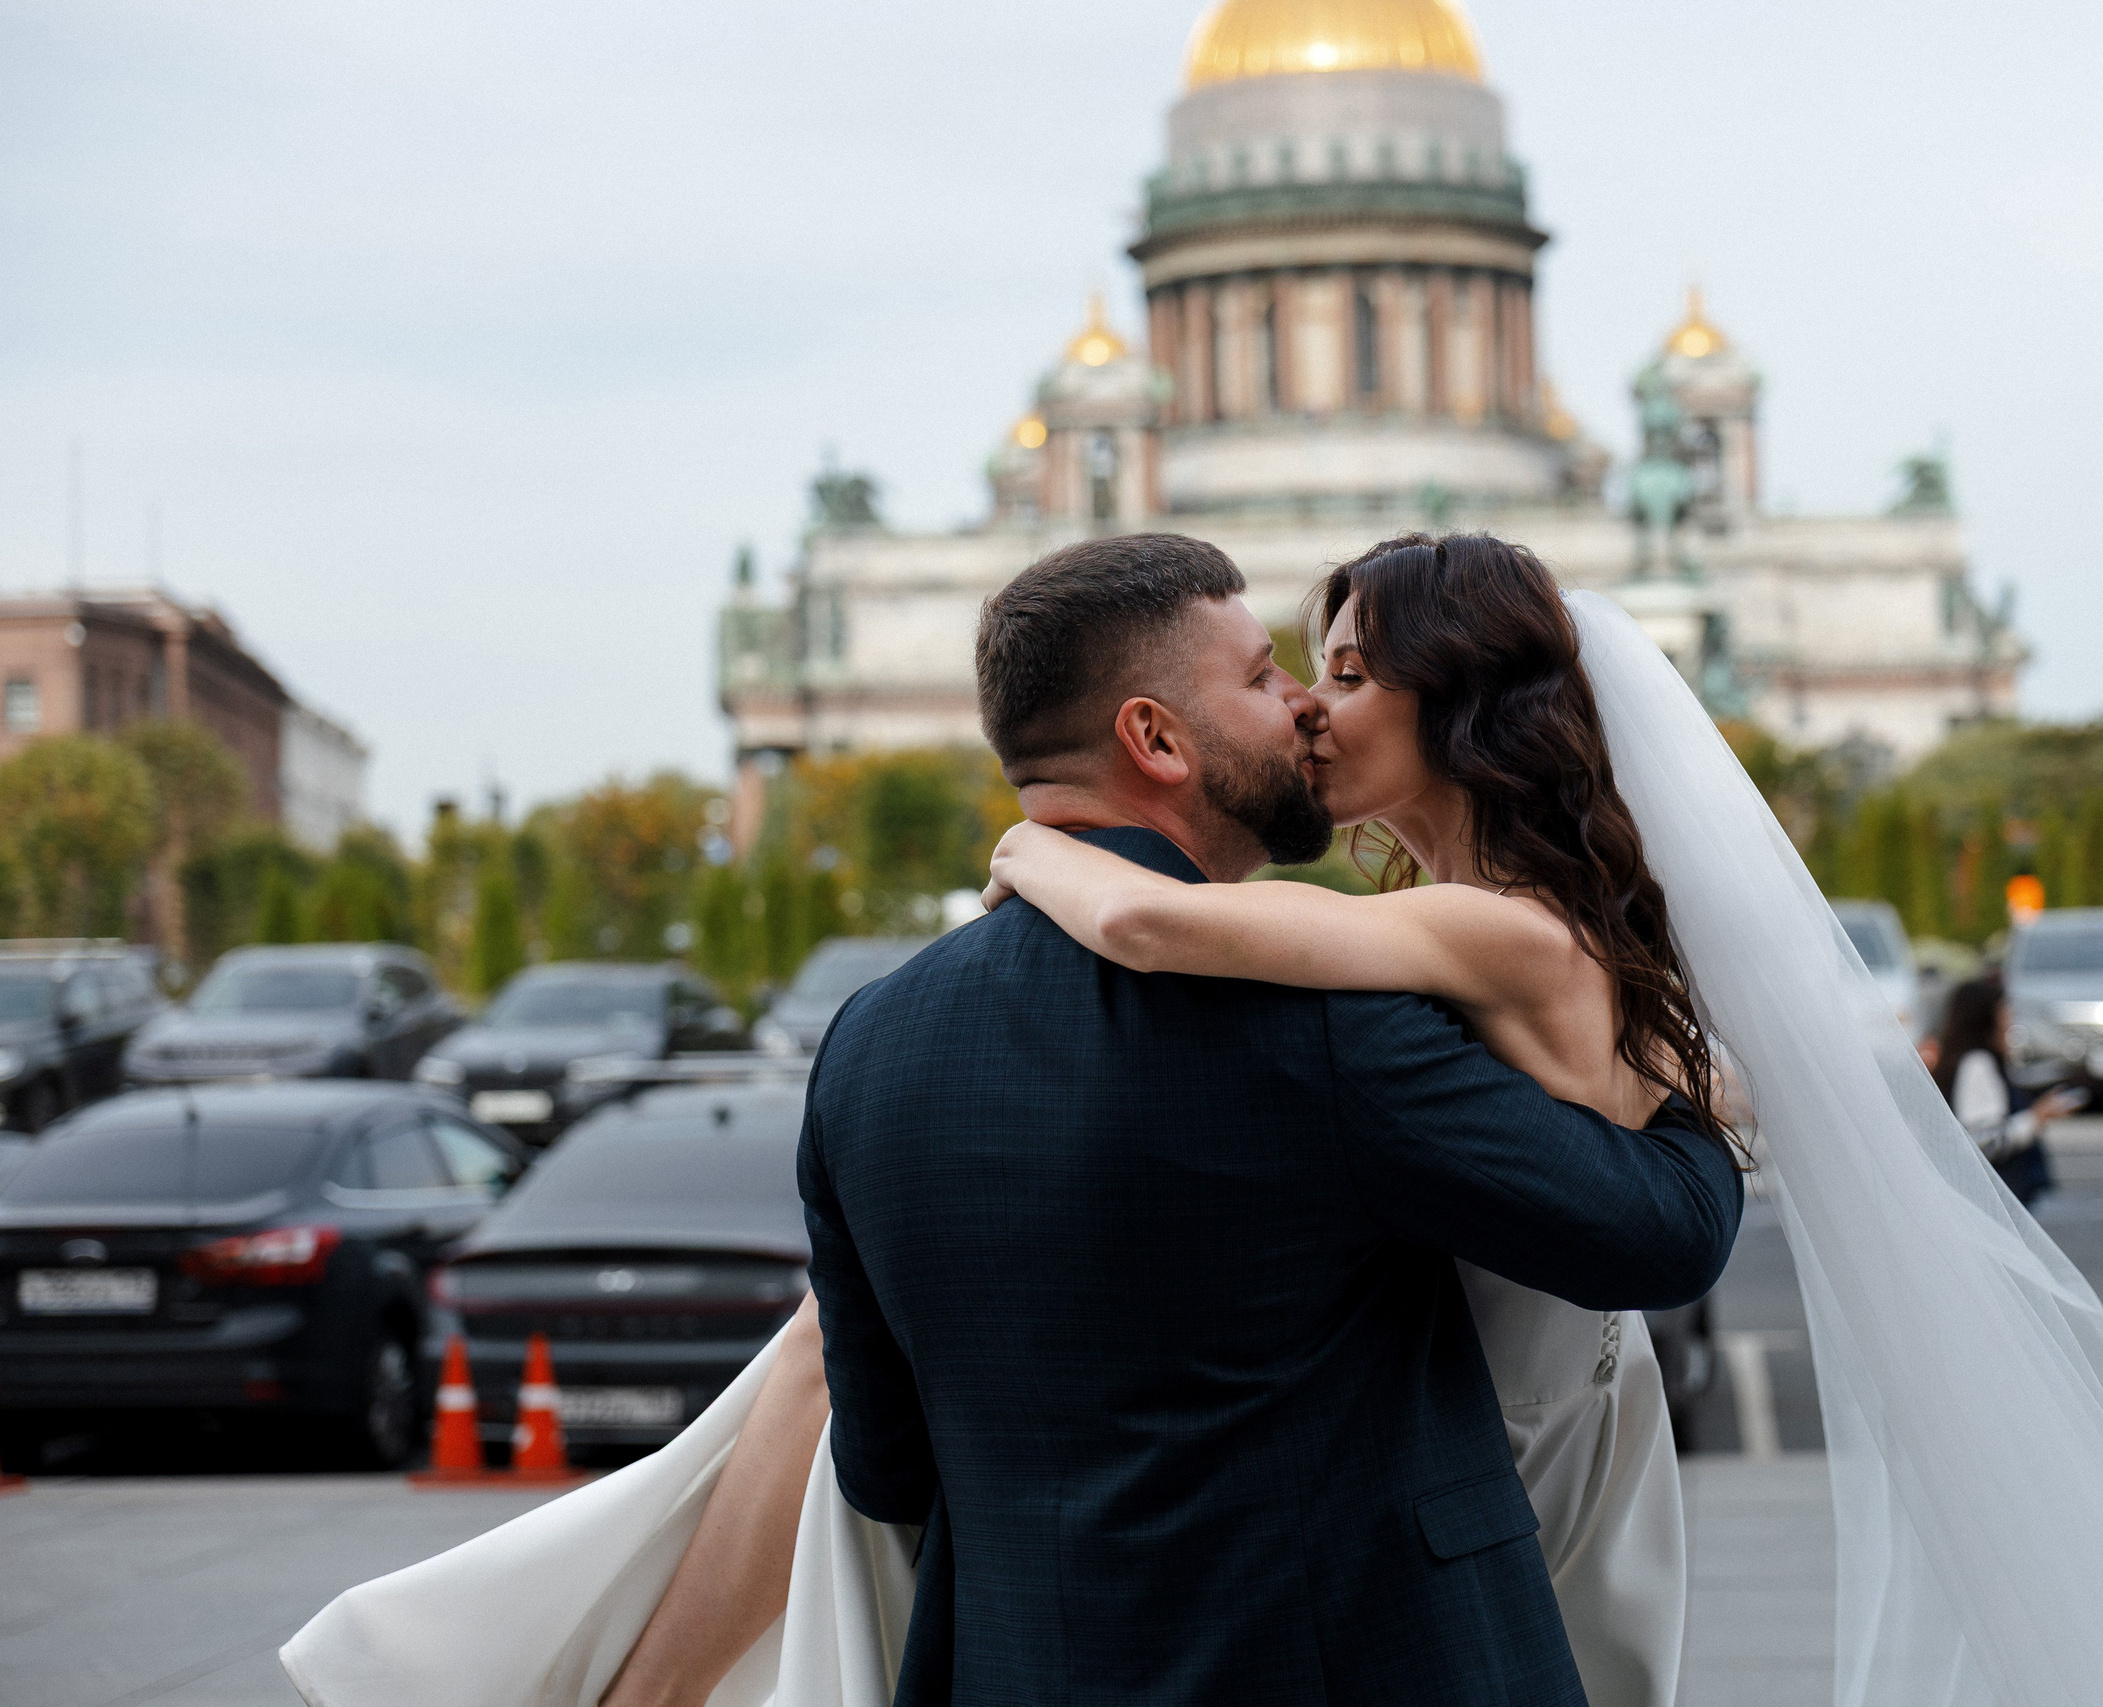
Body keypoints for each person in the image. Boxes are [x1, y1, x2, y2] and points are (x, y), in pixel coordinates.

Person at [282, 531, 1744, 1707]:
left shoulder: (870, 1047)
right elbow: (1650, 1231)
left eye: (1331, 671)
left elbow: (887, 1459)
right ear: (1157, 734)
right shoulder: (1338, 1018)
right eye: (1267, 675)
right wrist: (1683, 1068)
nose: (1303, 704)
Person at [1930, 975, 2077, 1207]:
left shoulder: (1971, 1061)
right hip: (1994, 1198)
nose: (2009, 1021)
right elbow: (1984, 1140)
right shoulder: (1977, 1065)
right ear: (1986, 1019)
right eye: (2003, 1012)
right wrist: (2036, 1118)